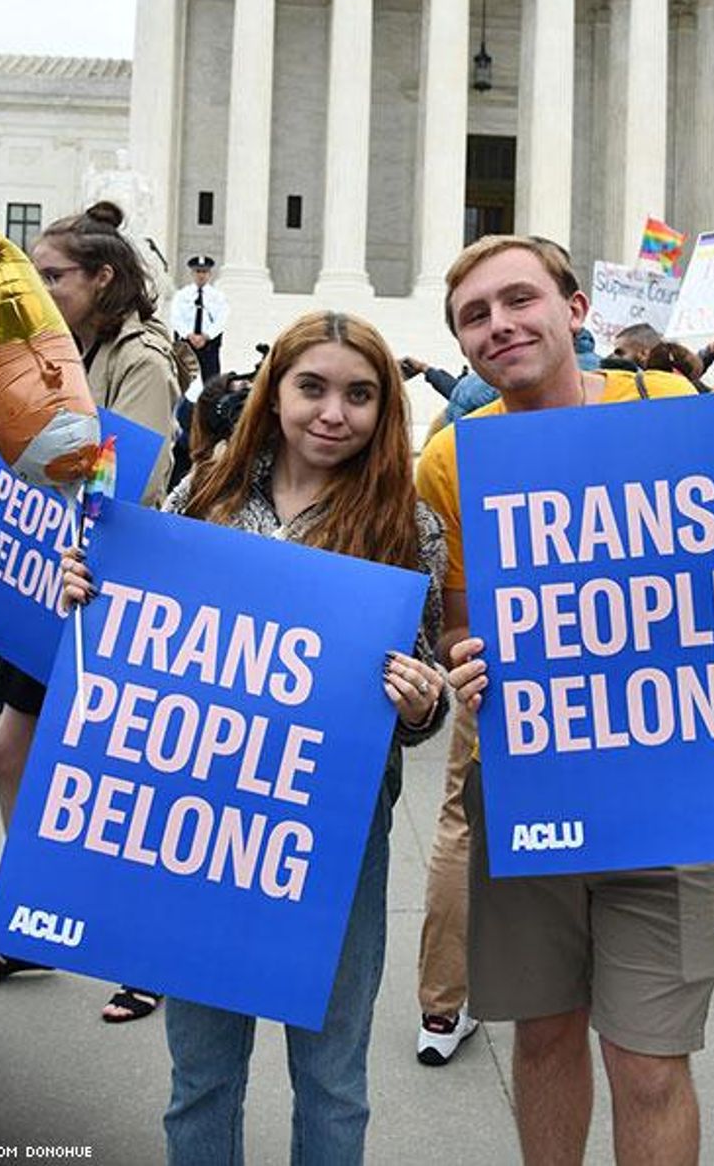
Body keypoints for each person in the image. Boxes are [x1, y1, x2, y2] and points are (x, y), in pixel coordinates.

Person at [416, 234, 714, 1164]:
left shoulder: (674, 405)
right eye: (474, 317)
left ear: (574, 310)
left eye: (518, 300)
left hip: (667, 792)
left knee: (649, 1063)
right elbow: (456, 619)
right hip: (533, 788)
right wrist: (464, 662)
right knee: (545, 1035)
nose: (499, 326)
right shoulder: (450, 460)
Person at [62, 309, 448, 1166]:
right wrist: (89, 589)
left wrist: (423, 703)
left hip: (335, 835)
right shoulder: (200, 499)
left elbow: (419, 700)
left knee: (334, 1081)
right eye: (311, 387)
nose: (332, 413)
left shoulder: (409, 528)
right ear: (274, 394)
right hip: (202, 826)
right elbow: (125, 637)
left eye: (359, 395)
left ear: (386, 411)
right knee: (200, 1074)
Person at [0, 200, 178, 1022]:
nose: (37, 286)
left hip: (111, 590)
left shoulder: (144, 361)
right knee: (8, 755)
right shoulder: (55, 350)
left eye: (53, 274)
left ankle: (145, 953)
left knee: (120, 784)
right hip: (48, 582)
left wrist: (43, 456)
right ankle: (36, 916)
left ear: (102, 279)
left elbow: (136, 472)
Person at [171, 254, 229, 381]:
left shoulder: (218, 296)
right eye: (198, 271)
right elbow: (176, 317)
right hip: (186, 343)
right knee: (182, 379)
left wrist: (206, 336)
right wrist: (189, 335)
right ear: (192, 273)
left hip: (209, 344)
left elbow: (222, 319)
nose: (201, 275)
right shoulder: (181, 295)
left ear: (210, 274)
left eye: (204, 271)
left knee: (211, 381)